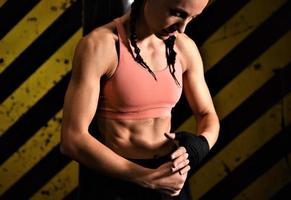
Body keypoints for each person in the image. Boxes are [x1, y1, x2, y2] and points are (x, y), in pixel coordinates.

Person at [60, 0, 220, 199]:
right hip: (118, 179)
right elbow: (72, 139)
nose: (181, 28)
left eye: (191, 18)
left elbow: (207, 114)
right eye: (177, 13)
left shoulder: (184, 48)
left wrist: (200, 145)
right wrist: (147, 178)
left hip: (168, 176)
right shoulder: (101, 45)